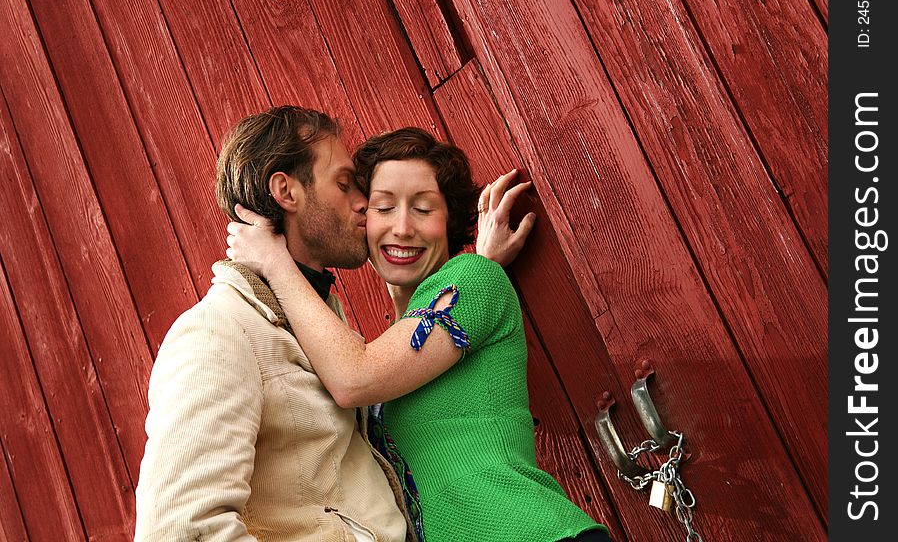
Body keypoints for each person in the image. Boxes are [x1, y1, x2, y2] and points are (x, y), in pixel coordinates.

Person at [133, 106, 525, 542]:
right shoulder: (219, 332)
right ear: (287, 191)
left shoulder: (324, 337)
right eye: (344, 184)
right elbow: (180, 530)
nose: (363, 204)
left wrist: (475, 275)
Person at [227, 127, 612, 542]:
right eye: (384, 207)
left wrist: (274, 262)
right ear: (362, 219)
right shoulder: (402, 340)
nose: (403, 227)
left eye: (425, 209)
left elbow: (355, 378)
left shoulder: (474, 280)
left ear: (450, 221)